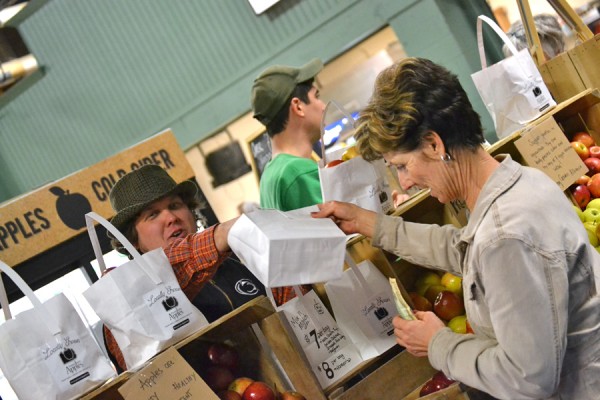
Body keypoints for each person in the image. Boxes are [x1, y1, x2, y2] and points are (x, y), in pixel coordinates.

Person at [312, 57, 600, 399]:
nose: (406, 181)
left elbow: (529, 379)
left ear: (434, 145)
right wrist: (368, 223)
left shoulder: (506, 234)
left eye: (403, 166)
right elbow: (465, 249)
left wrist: (439, 343)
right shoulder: (523, 184)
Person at [102, 164, 265, 372]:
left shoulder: (237, 260)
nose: (171, 218)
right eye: (152, 215)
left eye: (175, 205)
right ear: (132, 241)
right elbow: (175, 263)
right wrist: (222, 233)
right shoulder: (132, 304)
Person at [251, 58, 325, 212]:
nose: (324, 106)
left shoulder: (269, 176)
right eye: (316, 97)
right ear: (298, 106)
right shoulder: (299, 172)